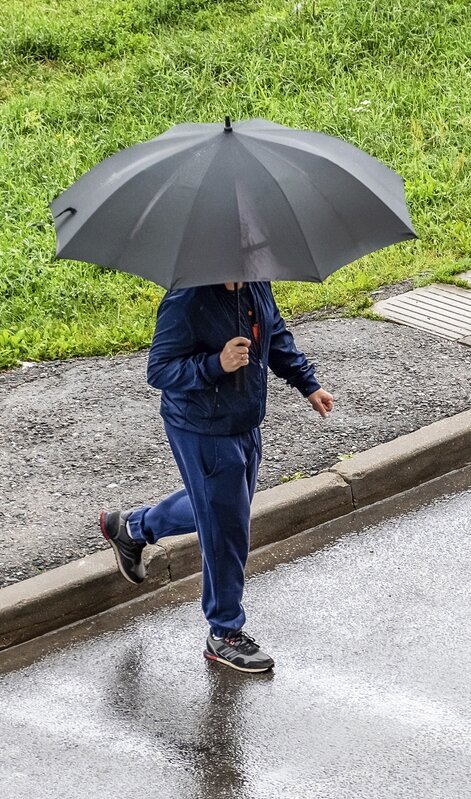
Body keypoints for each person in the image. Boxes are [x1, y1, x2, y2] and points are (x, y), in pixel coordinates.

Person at [100, 281, 333, 673]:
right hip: (201, 426)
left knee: (222, 510)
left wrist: (307, 383)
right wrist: (216, 364)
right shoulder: (187, 297)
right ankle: (224, 632)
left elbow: (274, 334)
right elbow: (158, 370)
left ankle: (132, 528)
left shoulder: (255, 282)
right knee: (227, 530)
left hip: (243, 420)